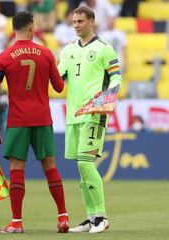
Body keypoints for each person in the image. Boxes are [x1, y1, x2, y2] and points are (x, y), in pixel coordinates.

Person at [0, 11, 69, 234]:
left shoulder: (4, 56)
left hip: (18, 120)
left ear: (13, 29)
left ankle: (17, 222)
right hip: (42, 118)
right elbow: (60, 87)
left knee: (16, 169)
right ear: (32, 28)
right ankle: (63, 217)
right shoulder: (46, 53)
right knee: (50, 166)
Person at [57, 6, 122, 233]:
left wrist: (104, 99)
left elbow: (116, 79)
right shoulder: (68, 51)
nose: (76, 25)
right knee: (81, 167)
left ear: (92, 21)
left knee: (86, 163)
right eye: (74, 21)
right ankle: (90, 217)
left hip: (94, 113)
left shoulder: (105, 49)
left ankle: (101, 217)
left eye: (80, 21)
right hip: (73, 115)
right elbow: (57, 78)